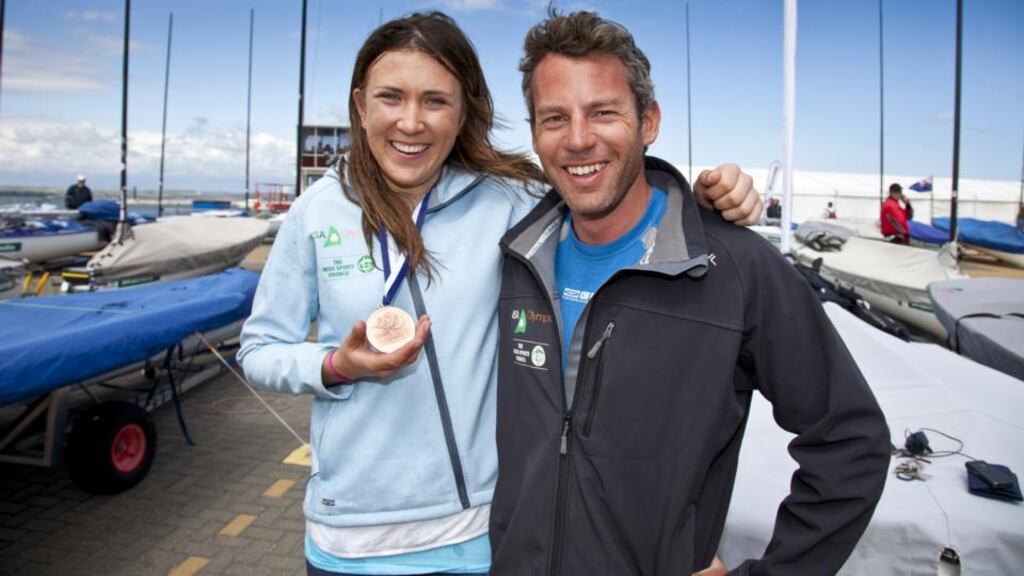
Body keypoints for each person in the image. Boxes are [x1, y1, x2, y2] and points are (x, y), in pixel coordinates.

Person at [238, 12, 761, 576]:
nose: (411, 122)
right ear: (362, 106)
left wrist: (709, 198)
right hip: (350, 544)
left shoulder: (512, 201)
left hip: (484, 538)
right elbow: (260, 350)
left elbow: (608, 193)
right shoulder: (316, 211)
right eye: (392, 97)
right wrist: (337, 365)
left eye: (436, 101)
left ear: (464, 113)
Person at [489, 10, 891, 576]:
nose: (578, 139)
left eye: (603, 112)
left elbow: (851, 440)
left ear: (648, 121)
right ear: (534, 132)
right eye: (555, 117)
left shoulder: (737, 268)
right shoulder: (512, 259)